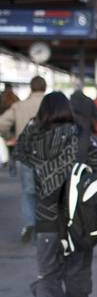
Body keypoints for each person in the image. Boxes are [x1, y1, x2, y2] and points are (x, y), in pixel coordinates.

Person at [15, 92, 97, 297]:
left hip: (46, 223)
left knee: (48, 274)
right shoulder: (81, 138)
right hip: (79, 221)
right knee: (77, 276)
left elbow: (21, 161)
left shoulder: (33, 139)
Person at [0, 76, 47, 242]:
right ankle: (44, 225)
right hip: (47, 154)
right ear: (45, 87)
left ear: (31, 88)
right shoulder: (50, 105)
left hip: (26, 154)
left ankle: (29, 223)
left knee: (28, 191)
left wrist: (9, 136)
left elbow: (1, 124)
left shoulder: (19, 106)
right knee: (46, 190)